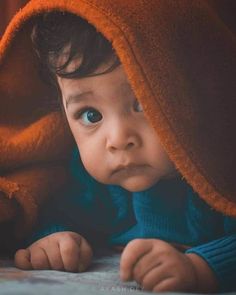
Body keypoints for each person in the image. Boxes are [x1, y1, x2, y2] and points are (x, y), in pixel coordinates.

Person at [14, 12, 236, 293]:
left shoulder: (220, 172)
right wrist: (55, 237)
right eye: (91, 115)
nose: (118, 140)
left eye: (143, 103)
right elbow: (54, 210)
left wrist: (201, 267)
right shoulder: (87, 182)